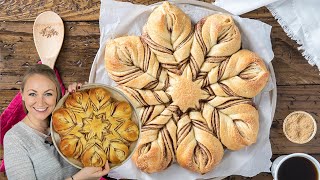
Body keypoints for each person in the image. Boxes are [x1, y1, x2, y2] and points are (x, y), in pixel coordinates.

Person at [3, 64, 109, 180]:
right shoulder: (15, 139)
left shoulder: (67, 121)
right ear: (22, 94)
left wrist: (82, 95)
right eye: (32, 94)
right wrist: (78, 178)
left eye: (48, 94)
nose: (40, 103)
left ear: (57, 94)